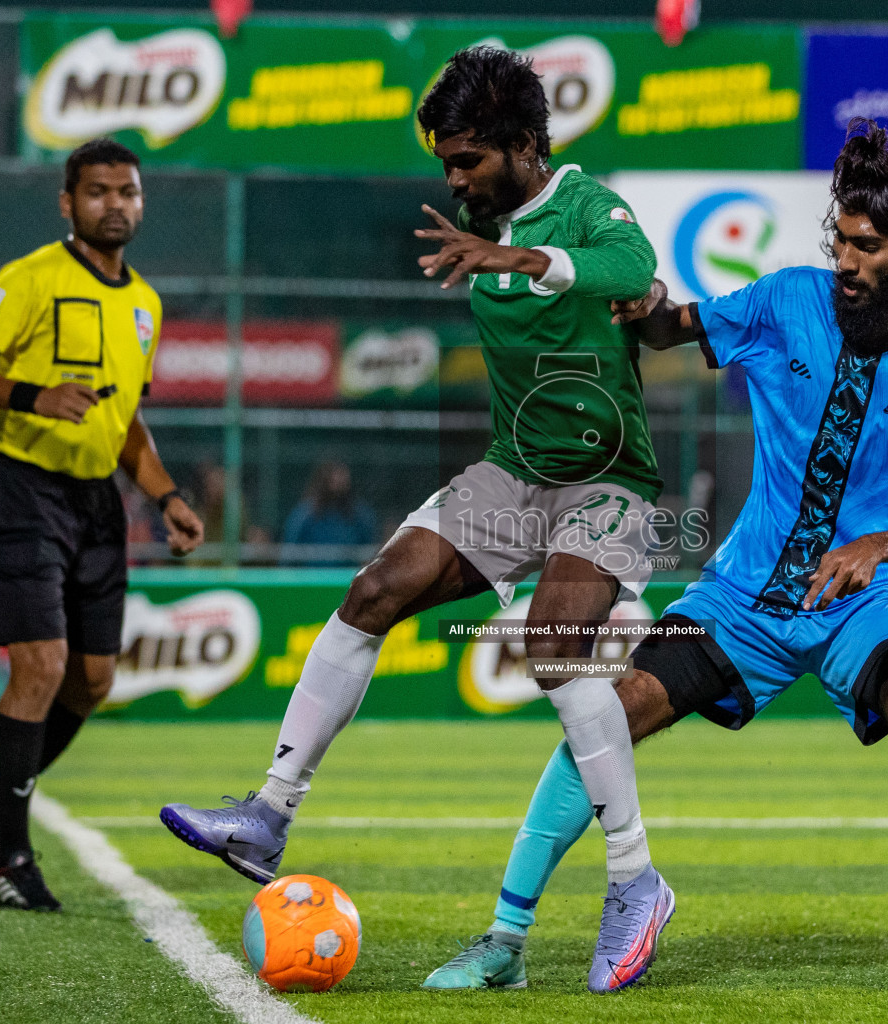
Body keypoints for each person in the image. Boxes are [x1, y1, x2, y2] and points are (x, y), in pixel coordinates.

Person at [421, 120, 888, 994]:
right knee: (607, 718)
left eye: (868, 247)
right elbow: (670, 327)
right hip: (744, 599)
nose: (847, 262)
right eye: (840, 242)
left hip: (867, 601)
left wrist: (875, 548)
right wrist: (645, 304)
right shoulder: (787, 301)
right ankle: (506, 941)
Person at [160, 45, 674, 992]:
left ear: (525, 145)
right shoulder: (471, 218)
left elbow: (630, 265)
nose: (454, 177)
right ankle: (269, 815)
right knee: (373, 591)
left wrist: (518, 254)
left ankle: (637, 882)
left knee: (556, 646)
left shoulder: (584, 202)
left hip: (607, 483)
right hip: (513, 474)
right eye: (445, 159)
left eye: (471, 158)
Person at [0, 138, 205, 911]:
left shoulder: (145, 302)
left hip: (96, 504)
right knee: (42, 667)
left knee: (93, 680)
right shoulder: (31, 278)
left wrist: (166, 495)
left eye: (128, 192)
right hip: (23, 490)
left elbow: (127, 422)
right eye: (98, 191)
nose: (115, 204)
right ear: (68, 202)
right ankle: (10, 859)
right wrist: (30, 395)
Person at [280, 461, 376, 566]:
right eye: (335, 478)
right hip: (311, 579)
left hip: (348, 578)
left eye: (343, 478)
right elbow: (289, 555)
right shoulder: (305, 514)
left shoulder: (359, 515)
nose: (339, 482)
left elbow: (370, 552)